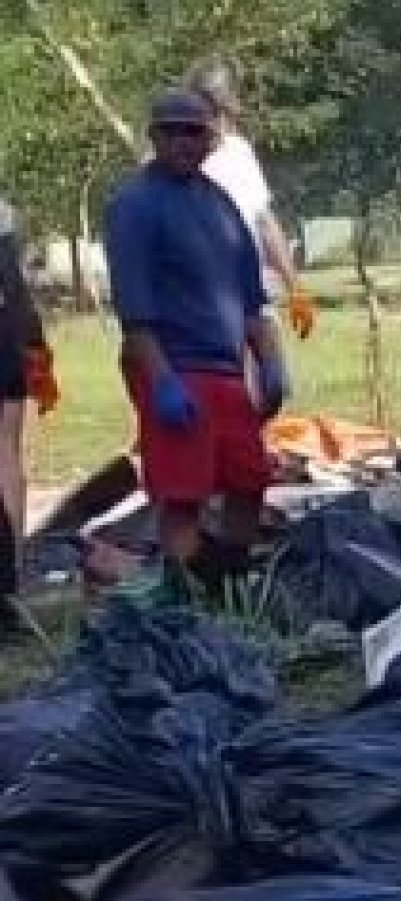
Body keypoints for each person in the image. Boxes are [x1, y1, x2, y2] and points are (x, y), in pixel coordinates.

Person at [103, 89, 291, 586]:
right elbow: (134, 316)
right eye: (172, 131)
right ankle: (192, 593)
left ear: (211, 138)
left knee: (249, 481)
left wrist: (270, 360)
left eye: (195, 131)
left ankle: (229, 581)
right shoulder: (134, 206)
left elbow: (250, 300)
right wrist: (161, 380)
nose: (184, 142)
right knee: (183, 494)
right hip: (173, 366)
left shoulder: (222, 206)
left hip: (226, 370)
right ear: (154, 136)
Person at [184, 58, 317, 341]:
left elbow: (265, 223)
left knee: (274, 384)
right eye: (211, 113)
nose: (218, 124)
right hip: (198, 310)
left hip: (251, 301)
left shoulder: (239, 152)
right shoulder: (174, 162)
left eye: (222, 114)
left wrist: (295, 287)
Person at [0, 198, 59, 615]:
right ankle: (11, 572)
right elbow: (15, 289)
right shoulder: (3, 214)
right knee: (6, 451)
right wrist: (35, 349)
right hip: (6, 333)